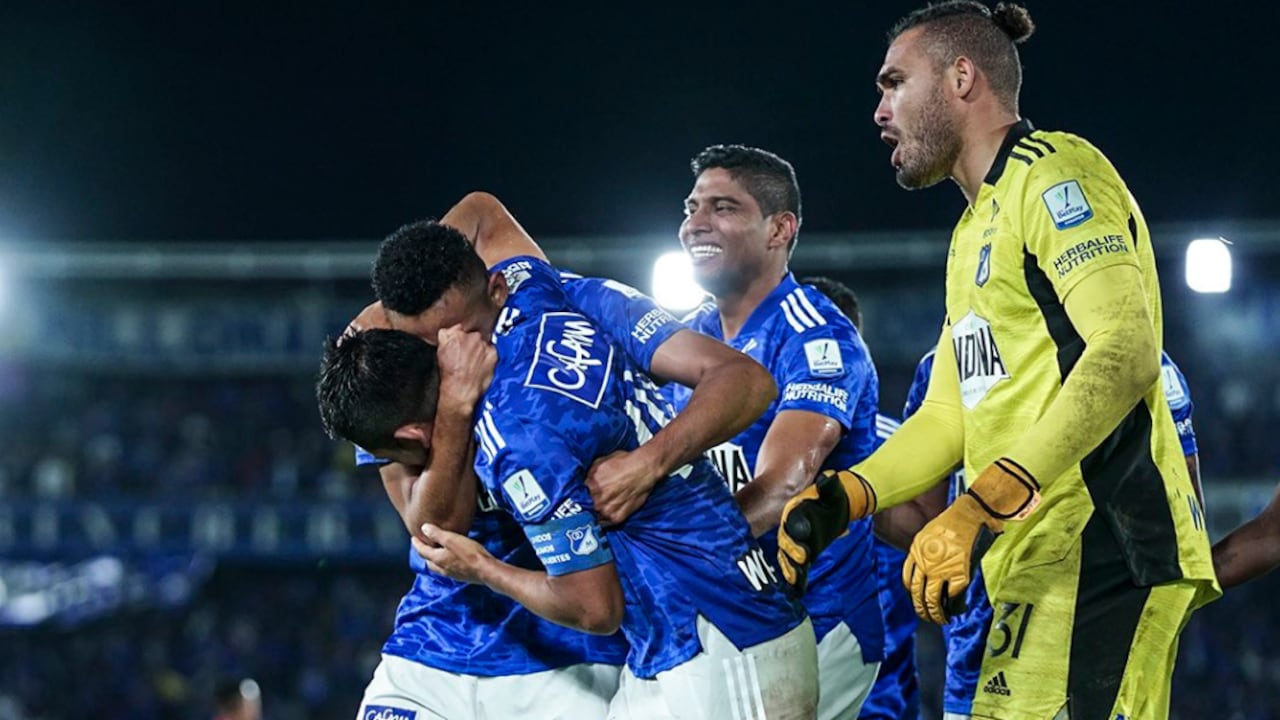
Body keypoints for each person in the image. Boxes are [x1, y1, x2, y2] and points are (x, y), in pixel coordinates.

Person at [778, 2, 1219, 717]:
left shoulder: (1056, 173)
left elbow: (1125, 350)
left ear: (961, 78)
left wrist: (980, 503)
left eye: (895, 83)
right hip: (1034, 561)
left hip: (1106, 547)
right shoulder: (971, 233)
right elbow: (948, 417)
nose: (880, 111)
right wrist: (846, 496)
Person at [322, 214, 817, 719]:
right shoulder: (544, 292)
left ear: (497, 289)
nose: (453, 354)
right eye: (430, 347)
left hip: (710, 634)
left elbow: (593, 606)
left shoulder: (520, 430)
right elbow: (479, 213)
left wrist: (646, 465)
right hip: (671, 641)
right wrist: (388, 317)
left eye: (456, 335)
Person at [622, 145, 882, 719]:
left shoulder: (816, 336)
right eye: (691, 208)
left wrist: (672, 557)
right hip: (707, 611)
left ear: (779, 230)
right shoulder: (689, 338)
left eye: (723, 208)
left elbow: (783, 486)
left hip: (811, 618)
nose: (695, 224)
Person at [898, 348, 1203, 720]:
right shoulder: (944, 363)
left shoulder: (1139, 359)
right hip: (977, 650)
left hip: (1086, 640)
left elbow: (1181, 521)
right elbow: (930, 523)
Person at [803, 275, 921, 720]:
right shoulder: (750, 447)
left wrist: (859, 497)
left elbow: (933, 543)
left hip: (881, 694)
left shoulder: (899, 448)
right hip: (781, 671)